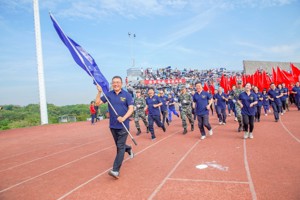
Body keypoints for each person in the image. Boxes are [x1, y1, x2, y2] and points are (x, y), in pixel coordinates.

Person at [95, 76, 134, 179]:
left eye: (118, 82)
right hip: (112, 125)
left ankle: (115, 170)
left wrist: (124, 118)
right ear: (112, 84)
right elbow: (97, 103)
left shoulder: (127, 95)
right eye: (114, 82)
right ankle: (129, 148)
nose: (116, 84)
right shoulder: (108, 95)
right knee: (119, 145)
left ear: (121, 84)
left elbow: (131, 109)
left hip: (123, 125)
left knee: (120, 147)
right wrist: (99, 92)